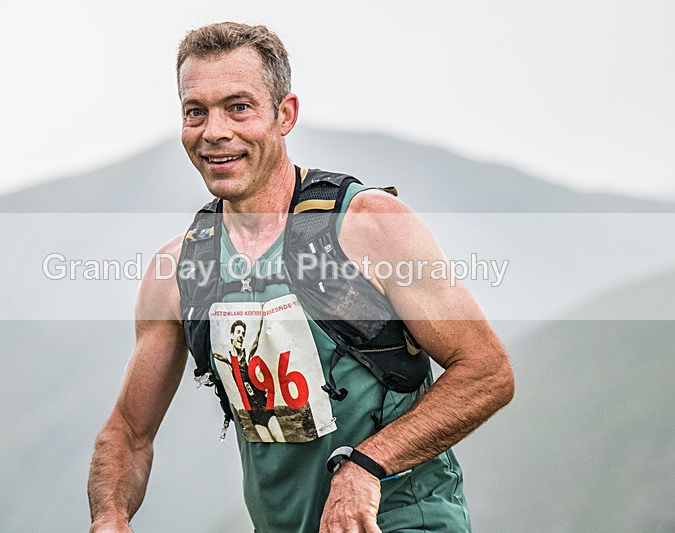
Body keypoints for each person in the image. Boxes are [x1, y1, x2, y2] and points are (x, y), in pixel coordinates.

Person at [88, 21, 514, 533]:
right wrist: (109, 517)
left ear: (284, 115)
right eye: (195, 111)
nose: (215, 131)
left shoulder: (369, 226)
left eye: (238, 107)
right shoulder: (179, 271)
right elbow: (130, 432)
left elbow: (487, 371)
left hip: (402, 521)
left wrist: (367, 465)